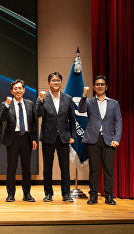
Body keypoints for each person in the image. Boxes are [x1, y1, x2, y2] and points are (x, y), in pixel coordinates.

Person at [79, 75, 122, 205]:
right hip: (93, 139)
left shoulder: (114, 103)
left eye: (102, 84)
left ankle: (109, 196)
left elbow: (118, 122)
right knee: (94, 169)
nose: (100, 86)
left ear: (106, 87)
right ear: (93, 87)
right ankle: (93, 196)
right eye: (97, 84)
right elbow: (81, 109)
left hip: (109, 140)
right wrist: (84, 95)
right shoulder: (89, 101)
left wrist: (117, 138)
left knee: (109, 170)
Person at [36, 72, 76, 202]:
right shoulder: (42, 97)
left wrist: (72, 135)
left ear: (61, 82)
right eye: (53, 80)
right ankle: (48, 193)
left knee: (65, 167)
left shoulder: (67, 98)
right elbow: (38, 114)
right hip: (48, 137)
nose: (56, 83)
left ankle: (66, 194)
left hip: (64, 137)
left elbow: (72, 119)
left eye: (58, 80)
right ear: (49, 83)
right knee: (47, 167)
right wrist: (41, 101)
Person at [0, 79, 38, 202]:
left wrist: (34, 139)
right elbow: (2, 118)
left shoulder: (30, 103)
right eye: (15, 88)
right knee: (11, 167)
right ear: (11, 91)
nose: (18, 90)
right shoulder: (6, 103)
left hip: (27, 138)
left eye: (20, 88)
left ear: (24, 89)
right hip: (13, 138)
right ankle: (10, 194)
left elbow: (33, 123)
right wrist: (6, 105)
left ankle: (27, 193)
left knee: (26, 168)